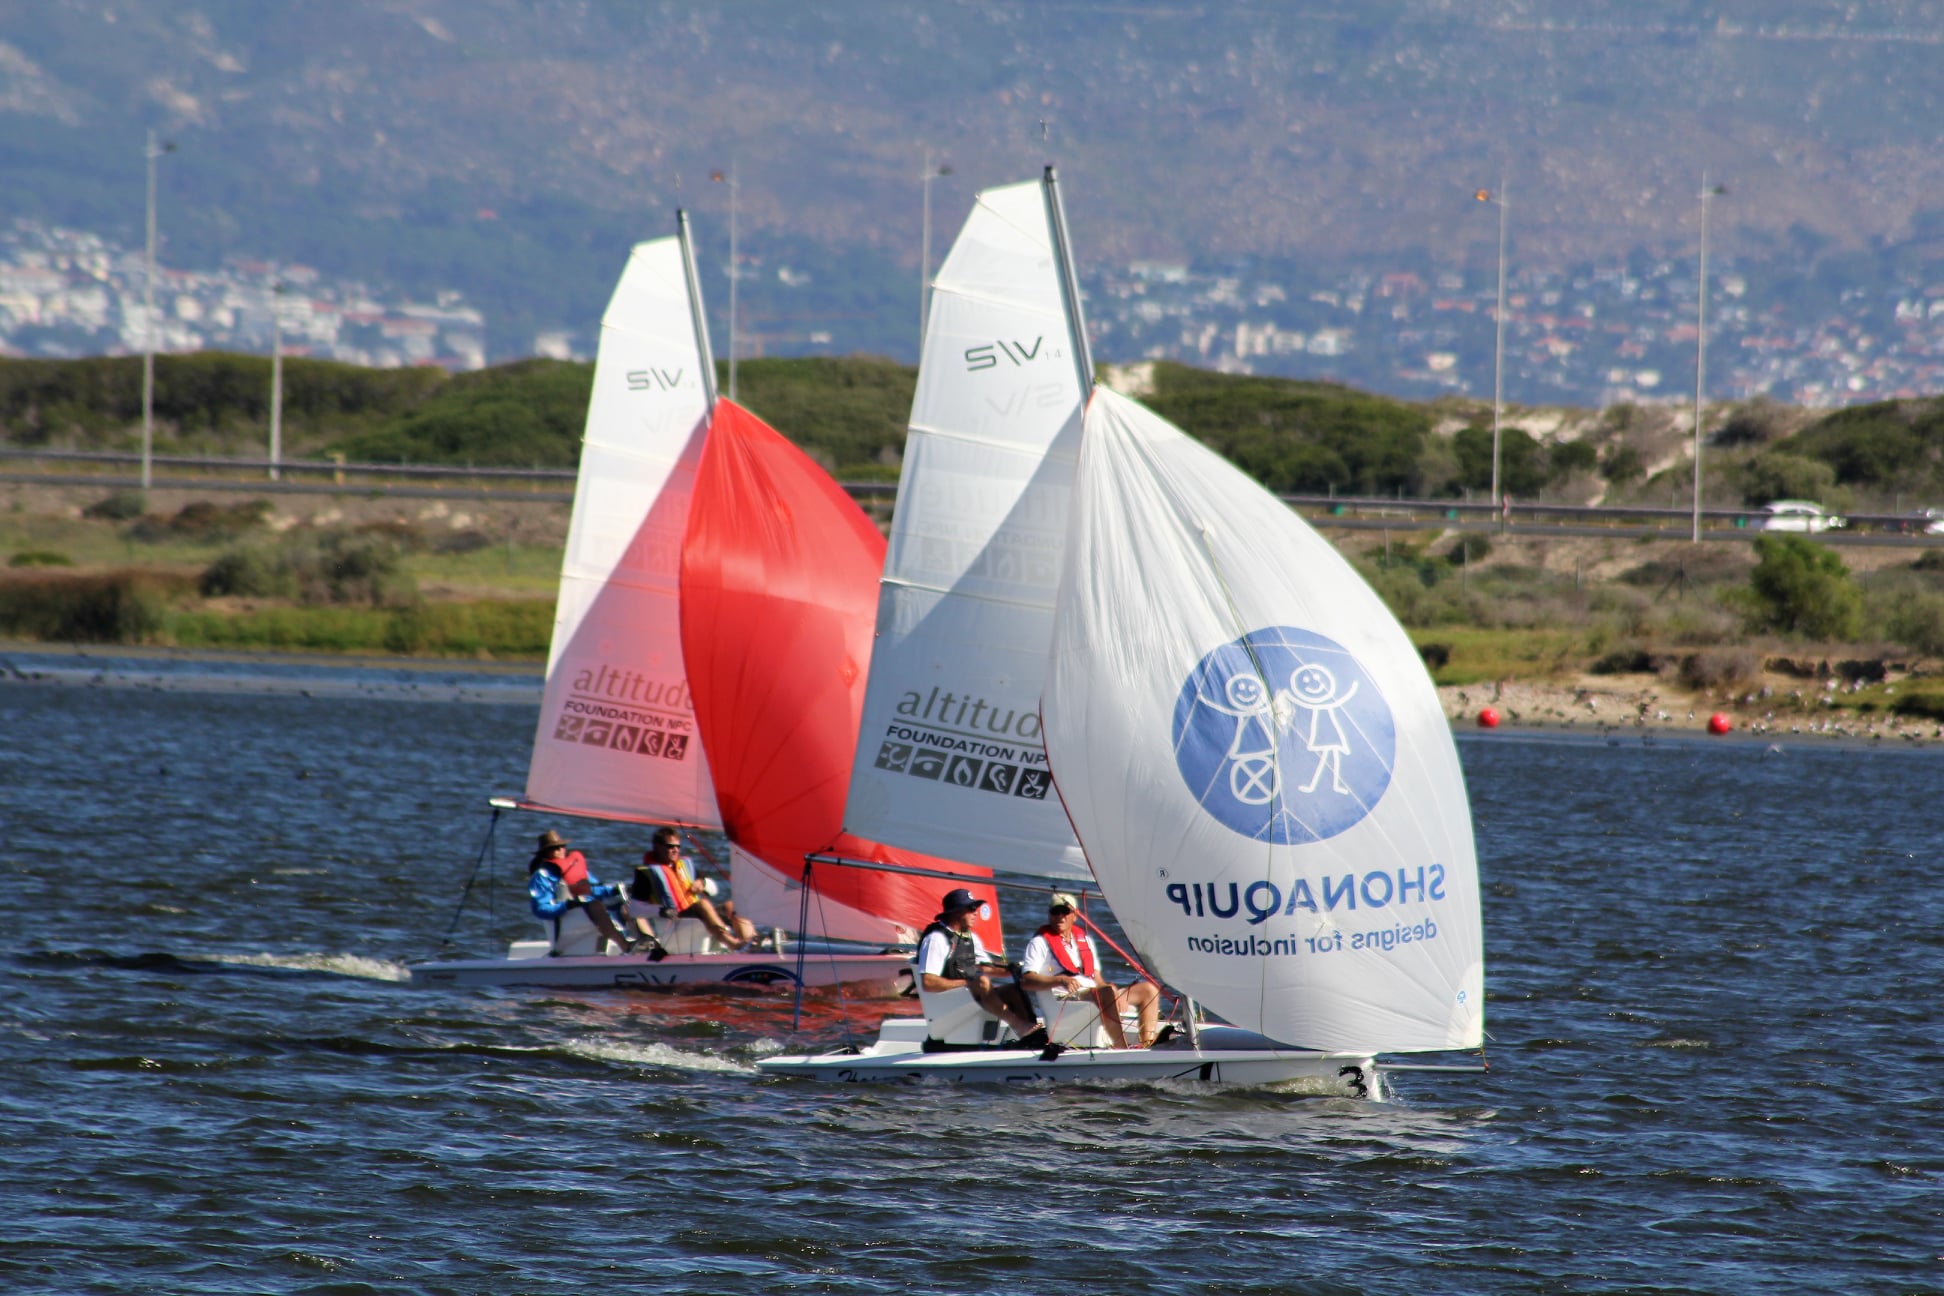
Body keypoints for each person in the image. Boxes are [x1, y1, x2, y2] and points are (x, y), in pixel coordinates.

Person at [1018, 893, 1162, 1049]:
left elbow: (1098, 980)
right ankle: (1121, 1048)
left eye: (1065, 912)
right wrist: (1060, 980)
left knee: (1149, 989)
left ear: (1074, 915)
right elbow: (1027, 981)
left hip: (1094, 993)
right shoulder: (1039, 943)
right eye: (1055, 912)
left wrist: (1111, 990)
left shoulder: (1084, 941)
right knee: (1106, 993)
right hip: (1067, 997)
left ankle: (1147, 1045)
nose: (1060, 916)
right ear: (1049, 914)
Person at [916, 887, 1045, 1048]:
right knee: (982, 981)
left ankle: (1032, 1038)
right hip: (947, 1002)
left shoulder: (969, 936)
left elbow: (987, 968)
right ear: (956, 912)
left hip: (967, 995)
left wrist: (1016, 969)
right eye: (971, 909)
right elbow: (928, 982)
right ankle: (1019, 1025)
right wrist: (969, 983)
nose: (976, 912)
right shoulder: (936, 939)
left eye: (975, 908)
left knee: (1013, 989)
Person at [629, 828, 757, 950]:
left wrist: (703, 884)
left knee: (731, 905)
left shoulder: (685, 866)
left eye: (678, 846)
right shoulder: (646, 874)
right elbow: (634, 909)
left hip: (696, 913)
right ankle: (732, 944)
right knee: (703, 904)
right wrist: (661, 911)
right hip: (675, 919)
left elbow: (714, 890)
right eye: (670, 846)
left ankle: (750, 942)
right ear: (657, 847)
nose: (675, 850)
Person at [526, 829, 641, 954]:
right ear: (545, 853)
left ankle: (643, 941)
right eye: (555, 848)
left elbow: (593, 890)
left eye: (562, 846)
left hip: (588, 912)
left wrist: (615, 890)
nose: (560, 850)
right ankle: (625, 946)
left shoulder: (573, 868)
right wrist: (569, 904)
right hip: (566, 919)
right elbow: (540, 909)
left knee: (628, 905)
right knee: (595, 905)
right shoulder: (541, 877)